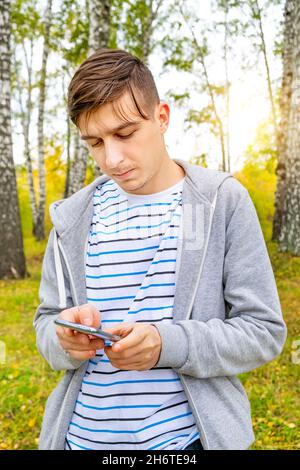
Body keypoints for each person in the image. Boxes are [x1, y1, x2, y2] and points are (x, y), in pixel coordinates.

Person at [33, 48, 287, 451]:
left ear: (162, 117)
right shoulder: (71, 217)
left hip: (185, 444)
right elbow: (45, 323)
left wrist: (167, 344)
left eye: (125, 133)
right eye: (95, 142)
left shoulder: (219, 202)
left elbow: (263, 331)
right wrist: (64, 338)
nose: (112, 159)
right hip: (78, 440)